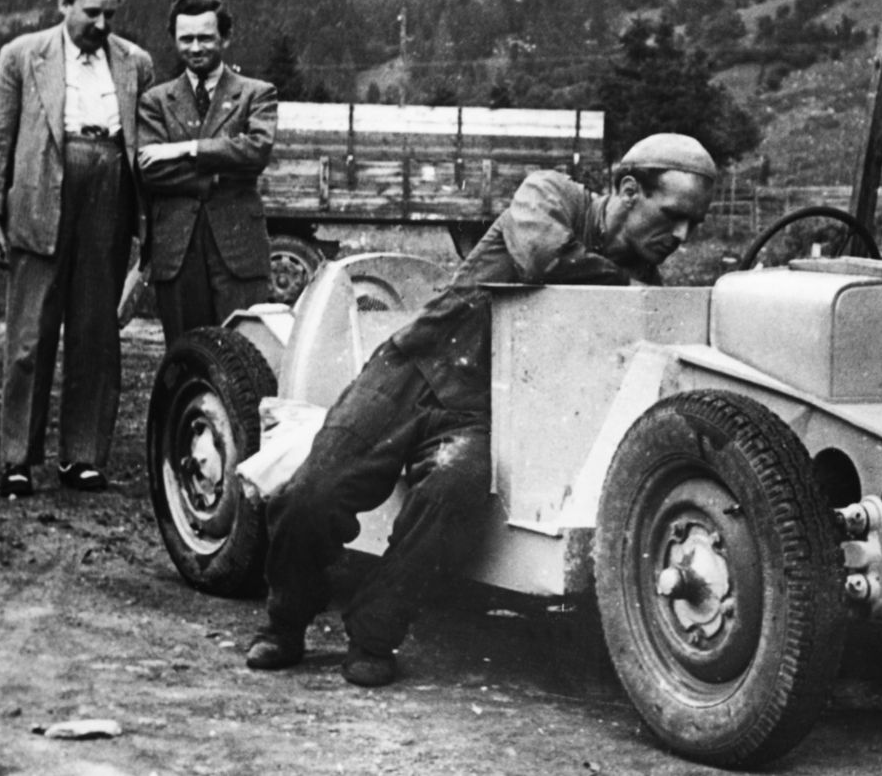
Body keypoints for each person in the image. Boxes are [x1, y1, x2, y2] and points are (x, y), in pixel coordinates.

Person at [246, 133, 717, 687]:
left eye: (695, 225)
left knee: (454, 495)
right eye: (674, 215)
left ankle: (374, 632)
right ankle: (286, 619)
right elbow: (542, 256)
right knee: (313, 492)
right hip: (414, 367)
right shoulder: (553, 195)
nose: (682, 236)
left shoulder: (646, 283)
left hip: (484, 411)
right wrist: (625, 283)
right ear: (629, 189)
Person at [0, 0, 154, 498]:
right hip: (38, 204)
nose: (101, 23)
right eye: (91, 11)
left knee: (96, 336)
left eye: (110, 14)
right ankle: (16, 461)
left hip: (109, 200)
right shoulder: (23, 56)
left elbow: (143, 144)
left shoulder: (134, 62)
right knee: (29, 339)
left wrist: (145, 225)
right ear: (63, 3)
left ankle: (82, 458)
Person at [138, 0, 278, 346]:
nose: (196, 47)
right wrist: (218, 171)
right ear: (174, 40)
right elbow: (151, 170)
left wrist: (189, 148)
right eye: (186, 39)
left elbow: (257, 151)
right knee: (186, 354)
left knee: (244, 352)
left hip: (238, 250)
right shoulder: (155, 101)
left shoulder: (256, 93)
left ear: (225, 38)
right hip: (177, 250)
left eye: (205, 37)